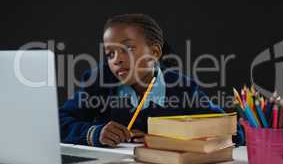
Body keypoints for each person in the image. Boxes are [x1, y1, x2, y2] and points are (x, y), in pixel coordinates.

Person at [59, 13, 243, 147]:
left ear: (155, 53)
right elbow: (58, 122)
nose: (117, 59)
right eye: (110, 53)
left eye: (128, 48)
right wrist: (95, 133)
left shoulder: (182, 88)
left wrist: (168, 138)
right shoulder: (100, 81)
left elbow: (234, 131)